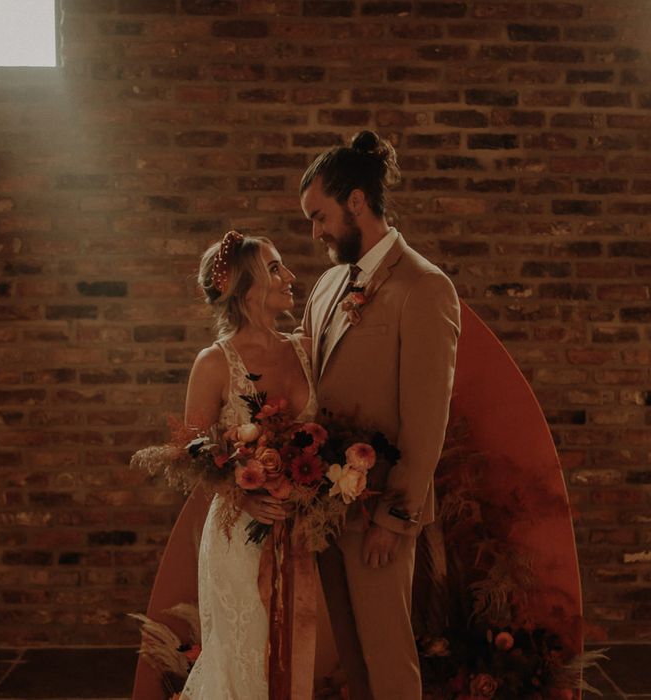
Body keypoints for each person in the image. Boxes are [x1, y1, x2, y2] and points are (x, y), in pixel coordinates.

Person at [300, 131, 461, 700]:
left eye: (320, 216)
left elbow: (427, 419)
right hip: (324, 508)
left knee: (389, 658)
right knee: (351, 656)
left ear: (357, 202)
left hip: (380, 516)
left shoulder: (424, 287)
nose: (315, 231)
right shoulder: (324, 286)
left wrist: (397, 519)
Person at [179, 230, 317, 700]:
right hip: (241, 534)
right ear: (245, 288)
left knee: (306, 662)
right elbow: (189, 450)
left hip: (309, 535)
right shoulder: (215, 363)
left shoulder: (307, 349)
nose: (290, 277)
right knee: (247, 665)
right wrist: (247, 494)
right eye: (276, 268)